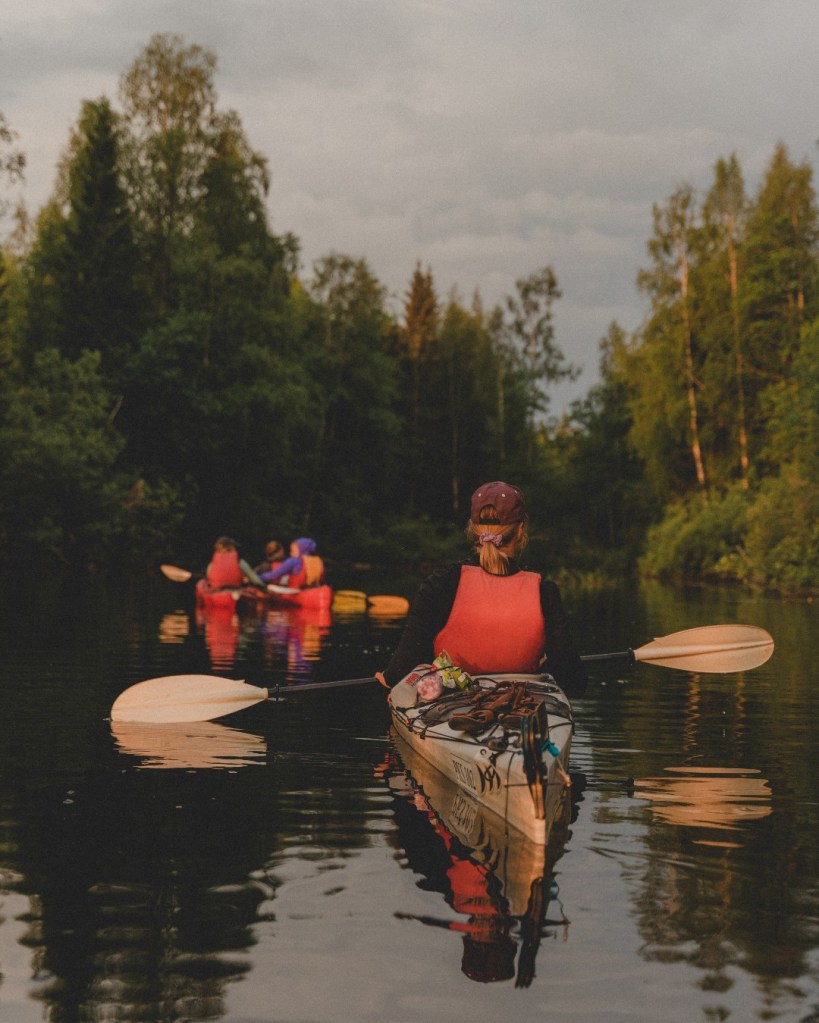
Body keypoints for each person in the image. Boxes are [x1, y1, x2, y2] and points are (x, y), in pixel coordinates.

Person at [380, 481, 588, 698]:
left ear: (471, 527)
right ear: (520, 531)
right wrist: (545, 665)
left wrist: (387, 678)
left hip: (451, 704)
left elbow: (401, 669)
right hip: (521, 703)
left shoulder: (441, 584)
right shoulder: (545, 592)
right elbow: (575, 683)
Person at [258, 537, 326, 589]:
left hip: (297, 594)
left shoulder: (294, 561)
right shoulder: (319, 562)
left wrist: (258, 577)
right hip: (313, 592)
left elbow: (273, 575)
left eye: (293, 550)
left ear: (301, 550)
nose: (290, 553)